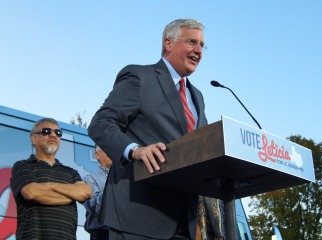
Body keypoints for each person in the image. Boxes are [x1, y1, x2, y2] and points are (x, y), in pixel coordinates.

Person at [88, 19, 224, 240]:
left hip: (186, 220)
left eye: (202, 45)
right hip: (139, 216)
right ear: (168, 43)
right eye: (191, 42)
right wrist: (134, 150)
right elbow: (101, 123)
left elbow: (201, 143)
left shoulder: (197, 96)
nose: (199, 51)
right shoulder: (140, 77)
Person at [10, 117, 92, 240]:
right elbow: (32, 193)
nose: (53, 135)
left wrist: (48, 186)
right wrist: (71, 195)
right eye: (46, 131)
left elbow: (85, 192)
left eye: (58, 133)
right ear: (34, 138)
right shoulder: (23, 166)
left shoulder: (71, 172)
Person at [83, 144, 113, 240]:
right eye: (107, 149)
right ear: (97, 155)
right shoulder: (90, 179)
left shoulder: (125, 179)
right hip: (103, 234)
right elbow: (95, 206)